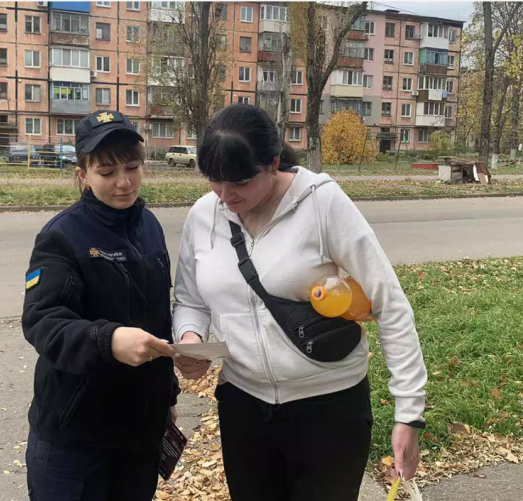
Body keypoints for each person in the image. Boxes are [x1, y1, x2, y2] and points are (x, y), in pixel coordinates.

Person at [172, 104, 427, 501]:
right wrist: (189, 337)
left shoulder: (322, 203)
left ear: (273, 163)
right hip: (244, 408)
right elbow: (189, 299)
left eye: (238, 181)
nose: (225, 195)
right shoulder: (204, 215)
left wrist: (408, 413)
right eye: (214, 181)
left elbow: (389, 303)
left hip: (329, 409)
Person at [22, 110, 180, 501]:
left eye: (132, 167)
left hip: (139, 433)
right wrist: (107, 340)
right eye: (107, 173)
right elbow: (43, 321)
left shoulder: (150, 227)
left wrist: (167, 396)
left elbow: (159, 319)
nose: (123, 183)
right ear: (83, 175)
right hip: (76, 438)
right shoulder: (61, 236)